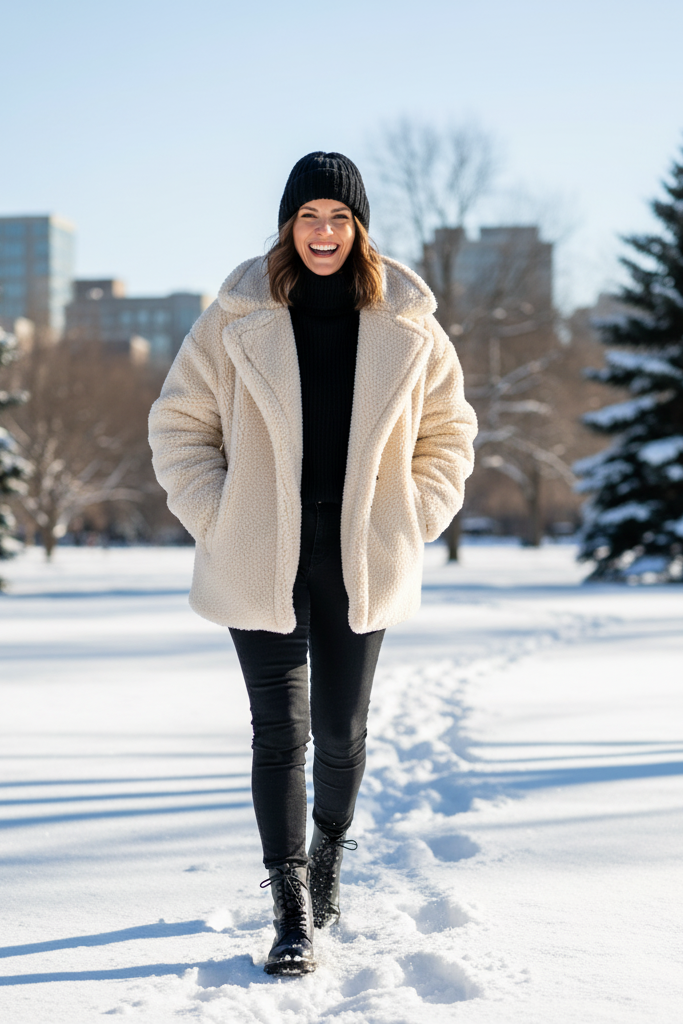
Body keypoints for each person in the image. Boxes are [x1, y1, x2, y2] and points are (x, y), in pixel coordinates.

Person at [148, 151, 477, 975]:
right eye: (307, 217)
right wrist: (219, 519)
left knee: (338, 730)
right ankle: (289, 903)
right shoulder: (235, 318)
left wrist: (417, 514)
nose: (322, 233)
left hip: (360, 554)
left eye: (338, 218)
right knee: (278, 733)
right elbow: (178, 427)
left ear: (358, 228)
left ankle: (329, 848)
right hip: (260, 551)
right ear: (287, 226)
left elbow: (449, 435)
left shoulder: (409, 324)